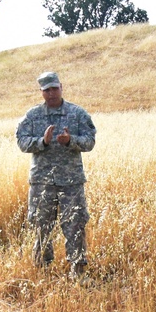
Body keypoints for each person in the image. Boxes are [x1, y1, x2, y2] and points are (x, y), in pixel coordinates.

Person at [16, 71, 96, 277]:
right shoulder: (32, 116)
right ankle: (42, 271)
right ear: (41, 92)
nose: (51, 93)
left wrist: (71, 141)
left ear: (62, 87)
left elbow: (90, 141)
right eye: (46, 90)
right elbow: (22, 142)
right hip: (42, 182)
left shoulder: (78, 114)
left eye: (54, 89)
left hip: (71, 182)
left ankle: (77, 271)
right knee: (41, 226)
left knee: (75, 224)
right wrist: (42, 142)